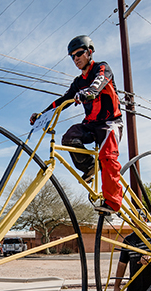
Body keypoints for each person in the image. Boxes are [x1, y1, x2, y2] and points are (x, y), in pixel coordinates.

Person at [30, 35, 123, 215]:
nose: (76, 59)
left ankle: (112, 202)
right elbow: (63, 100)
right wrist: (43, 114)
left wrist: (90, 92)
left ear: (89, 52)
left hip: (110, 123)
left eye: (79, 53)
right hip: (90, 125)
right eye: (72, 56)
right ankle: (89, 167)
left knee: (107, 156)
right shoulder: (78, 82)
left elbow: (99, 82)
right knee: (69, 137)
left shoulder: (101, 68)